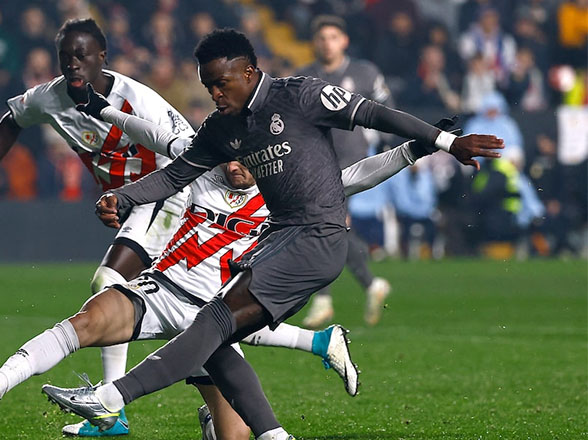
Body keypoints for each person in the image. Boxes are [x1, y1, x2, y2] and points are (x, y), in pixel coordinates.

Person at [45, 29, 503, 440]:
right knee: (215, 343)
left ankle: (110, 398)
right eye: (208, 86)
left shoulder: (301, 96)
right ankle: (273, 434)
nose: (215, 93)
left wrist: (440, 143)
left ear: (249, 72)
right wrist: (123, 196)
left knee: (211, 323)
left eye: (222, 83)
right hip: (278, 240)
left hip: (317, 238)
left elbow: (372, 114)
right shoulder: (222, 128)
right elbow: (173, 171)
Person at [0, 87, 446, 439]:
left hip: (217, 320)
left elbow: (357, 176)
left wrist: (413, 149)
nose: (236, 165)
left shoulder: (288, 189)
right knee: (86, 319)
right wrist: (104, 111)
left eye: (246, 159)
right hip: (162, 290)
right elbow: (152, 133)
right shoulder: (203, 161)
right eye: (232, 157)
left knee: (235, 434)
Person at [0, 18, 195, 435]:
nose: (73, 64)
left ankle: (109, 407)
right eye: (65, 57)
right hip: (130, 205)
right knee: (198, 313)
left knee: (111, 283)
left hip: (171, 195)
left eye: (81, 56)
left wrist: (132, 198)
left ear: (102, 56)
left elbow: (186, 154)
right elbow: (12, 119)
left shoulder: (138, 100)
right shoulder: (50, 97)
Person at [296, 15, 395, 327]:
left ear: (345, 41)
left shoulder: (365, 73)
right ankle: (370, 284)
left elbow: (387, 108)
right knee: (328, 226)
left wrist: (388, 143)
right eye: (322, 38)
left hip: (351, 160)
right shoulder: (303, 77)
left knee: (318, 223)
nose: (327, 44)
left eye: (333, 37)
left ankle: (323, 299)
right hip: (314, 160)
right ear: (314, 43)